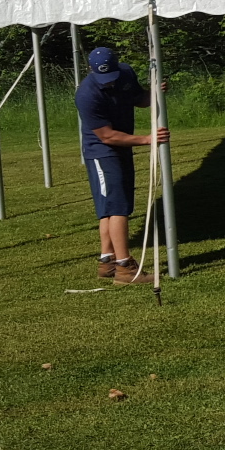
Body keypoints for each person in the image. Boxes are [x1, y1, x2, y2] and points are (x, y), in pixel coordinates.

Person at [75, 46, 167, 284]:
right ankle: (125, 268)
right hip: (102, 152)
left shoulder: (125, 74)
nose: (109, 84)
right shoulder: (86, 95)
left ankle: (107, 262)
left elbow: (138, 99)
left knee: (112, 206)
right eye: (104, 79)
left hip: (122, 148)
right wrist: (148, 139)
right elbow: (106, 136)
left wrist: (155, 92)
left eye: (112, 78)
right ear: (92, 71)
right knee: (117, 208)